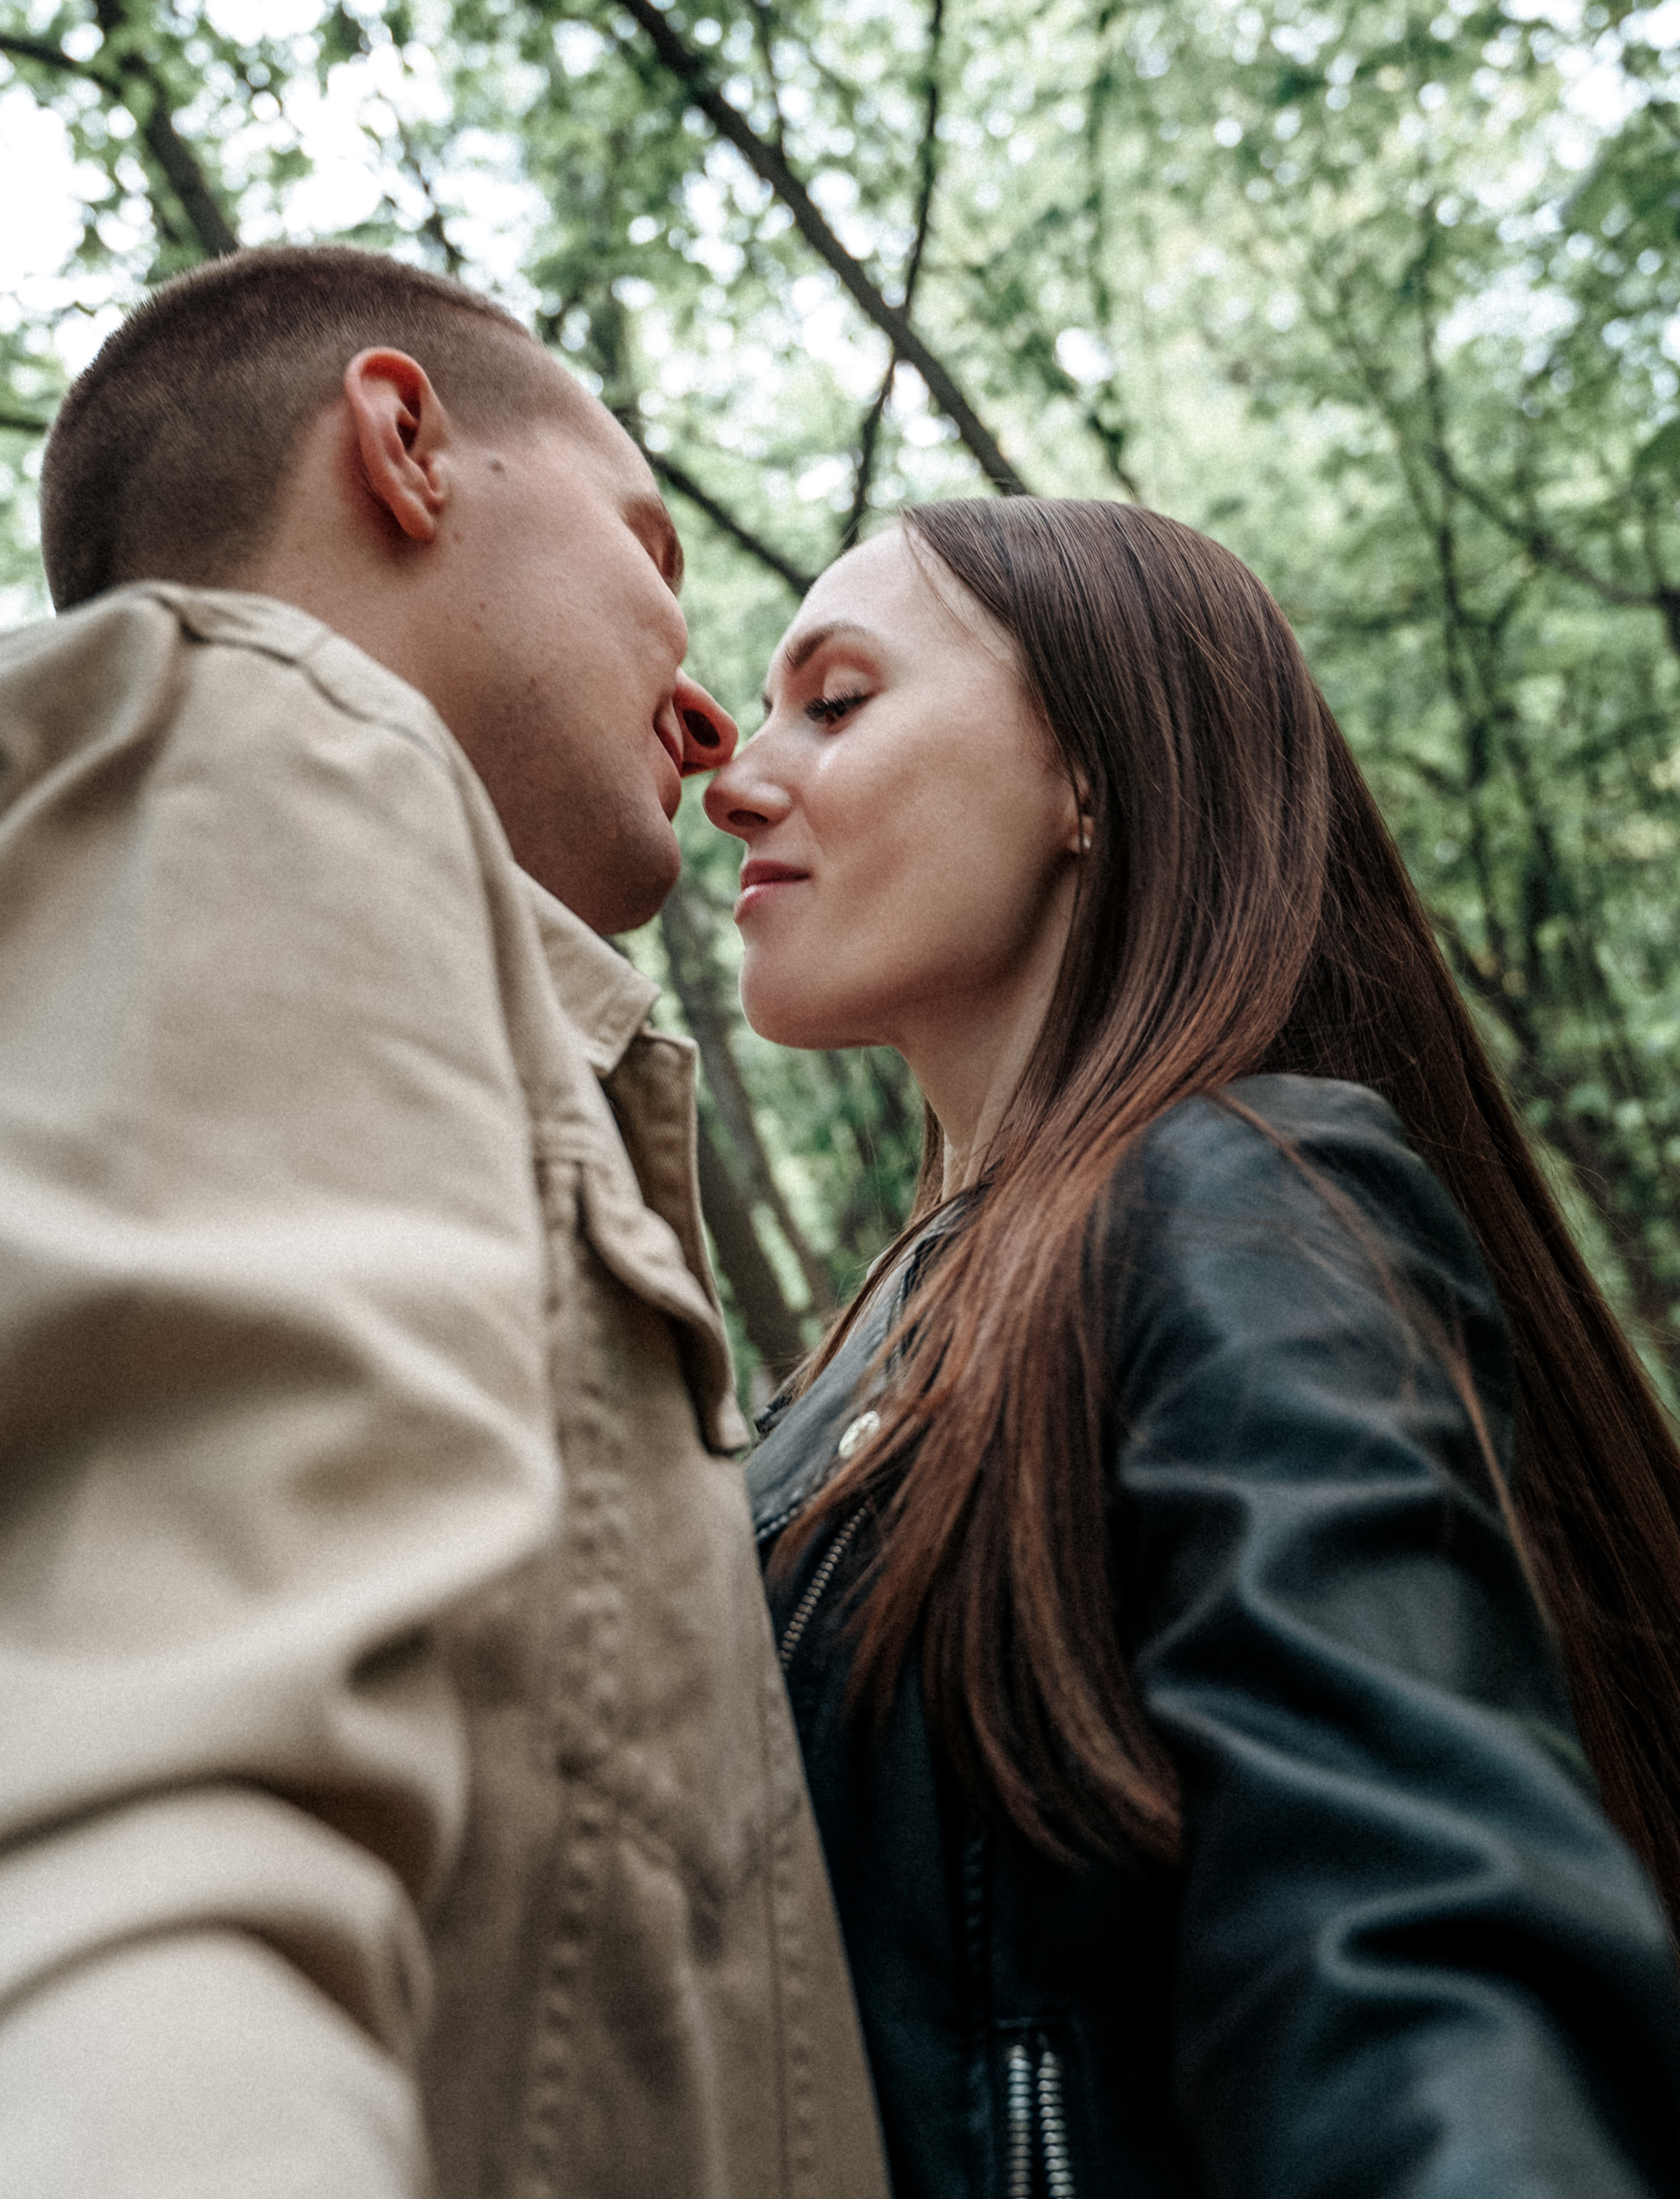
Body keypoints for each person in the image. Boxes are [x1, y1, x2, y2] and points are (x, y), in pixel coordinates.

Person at [0, 245, 890, 2199]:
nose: (717, 721)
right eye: (652, 544)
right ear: (405, 446)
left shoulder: (334, 949)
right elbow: (149, 1862)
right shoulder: (263, 755)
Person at [705, 494, 1680, 2199]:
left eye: (837, 701)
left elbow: (1400, 1926)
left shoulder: (1227, 1190)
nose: (738, 774)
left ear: (1090, 774)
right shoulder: (856, 1361)